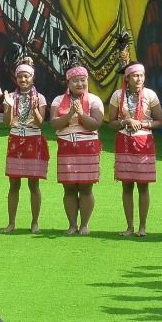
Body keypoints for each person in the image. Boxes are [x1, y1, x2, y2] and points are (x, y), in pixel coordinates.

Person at [106, 61, 162, 237]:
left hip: (144, 141)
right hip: (124, 142)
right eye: (135, 76)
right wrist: (125, 122)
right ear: (127, 77)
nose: (139, 79)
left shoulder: (150, 95)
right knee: (127, 186)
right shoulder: (117, 95)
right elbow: (112, 122)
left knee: (143, 186)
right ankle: (129, 226)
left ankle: (143, 226)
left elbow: (160, 121)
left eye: (142, 75)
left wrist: (142, 123)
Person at [50, 47, 102, 235]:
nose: (80, 84)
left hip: (87, 145)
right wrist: (70, 113)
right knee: (69, 187)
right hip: (66, 146)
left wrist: (80, 113)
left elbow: (95, 124)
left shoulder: (95, 100)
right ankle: (72, 224)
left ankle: (84, 225)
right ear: (68, 82)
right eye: (75, 81)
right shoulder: (57, 100)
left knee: (86, 187)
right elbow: (55, 124)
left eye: (83, 80)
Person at [1, 56, 48, 234]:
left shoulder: (40, 98)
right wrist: (9, 107)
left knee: (33, 185)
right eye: (20, 76)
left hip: (33, 139)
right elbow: (7, 122)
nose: (23, 80)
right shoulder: (11, 97)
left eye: (26, 76)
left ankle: (35, 222)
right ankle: (11, 223)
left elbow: (40, 122)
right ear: (16, 78)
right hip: (15, 139)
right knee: (14, 185)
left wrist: (35, 108)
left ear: (32, 78)